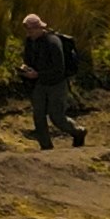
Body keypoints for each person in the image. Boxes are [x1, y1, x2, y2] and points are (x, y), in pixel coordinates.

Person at [19, 11, 87, 148]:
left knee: (57, 117)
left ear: (39, 28)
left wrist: (38, 75)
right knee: (38, 115)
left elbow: (59, 69)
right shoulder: (30, 42)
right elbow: (28, 59)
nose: (29, 33)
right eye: (27, 30)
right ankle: (46, 147)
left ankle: (78, 132)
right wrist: (26, 69)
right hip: (40, 83)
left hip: (57, 83)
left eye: (31, 30)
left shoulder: (53, 42)